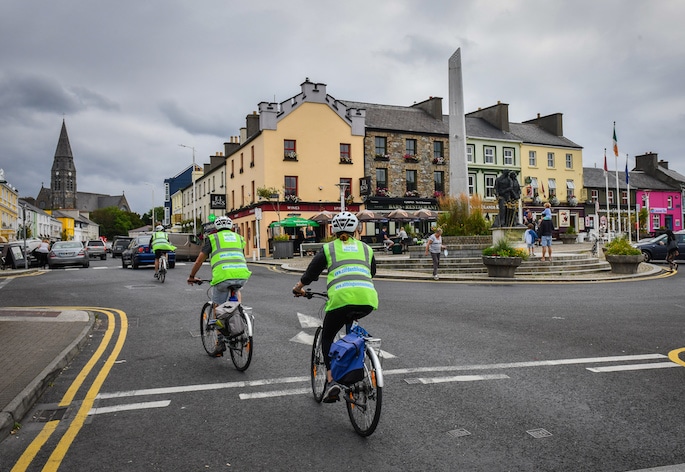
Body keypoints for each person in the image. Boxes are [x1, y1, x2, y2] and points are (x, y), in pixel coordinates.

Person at [292, 212, 378, 403]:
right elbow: (371, 272)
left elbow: (311, 273)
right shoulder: (366, 249)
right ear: (357, 229)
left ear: (333, 230)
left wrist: (299, 288)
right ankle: (358, 367)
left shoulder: (329, 248)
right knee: (352, 330)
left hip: (340, 300)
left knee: (328, 336)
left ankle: (332, 381)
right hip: (367, 300)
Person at [188, 216, 252, 354]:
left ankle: (220, 341)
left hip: (222, 278)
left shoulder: (213, 238)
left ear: (216, 228)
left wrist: (192, 276)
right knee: (236, 289)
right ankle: (238, 313)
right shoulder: (239, 238)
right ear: (231, 227)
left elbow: (199, 261)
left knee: (217, 308)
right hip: (241, 276)